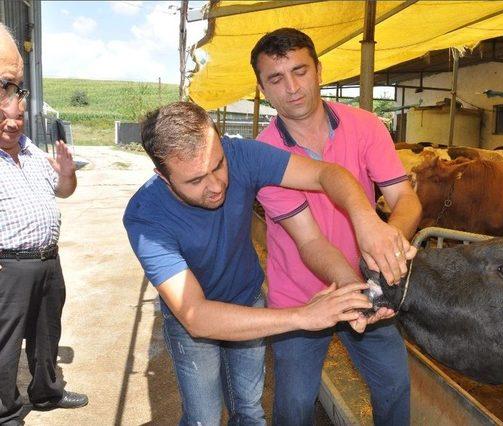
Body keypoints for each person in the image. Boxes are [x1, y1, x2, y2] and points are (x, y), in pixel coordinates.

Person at [122, 101, 414, 425]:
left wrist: (366, 221)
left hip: (246, 296)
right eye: (195, 181)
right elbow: (197, 316)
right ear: (162, 176)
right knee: (203, 416)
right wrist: (304, 316)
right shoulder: (145, 217)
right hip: (194, 317)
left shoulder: (242, 155)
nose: (217, 185)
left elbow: (327, 174)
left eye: (218, 165)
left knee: (249, 410)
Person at [250, 28, 423, 425]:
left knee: (394, 385)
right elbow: (310, 241)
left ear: (319, 71)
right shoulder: (263, 156)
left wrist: (389, 247)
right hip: (301, 297)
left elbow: (404, 199)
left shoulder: (367, 127)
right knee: (295, 404)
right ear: (262, 88)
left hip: (369, 282)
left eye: (300, 71)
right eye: (276, 78)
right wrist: (355, 290)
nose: (292, 88)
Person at [0, 24, 87, 426]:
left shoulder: (31, 151)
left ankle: (47, 392)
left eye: (18, 115)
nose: (14, 124)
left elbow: (63, 189)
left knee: (47, 334)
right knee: (5, 346)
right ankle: (6, 412)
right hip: (9, 267)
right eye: (7, 121)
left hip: (48, 261)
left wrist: (68, 174)